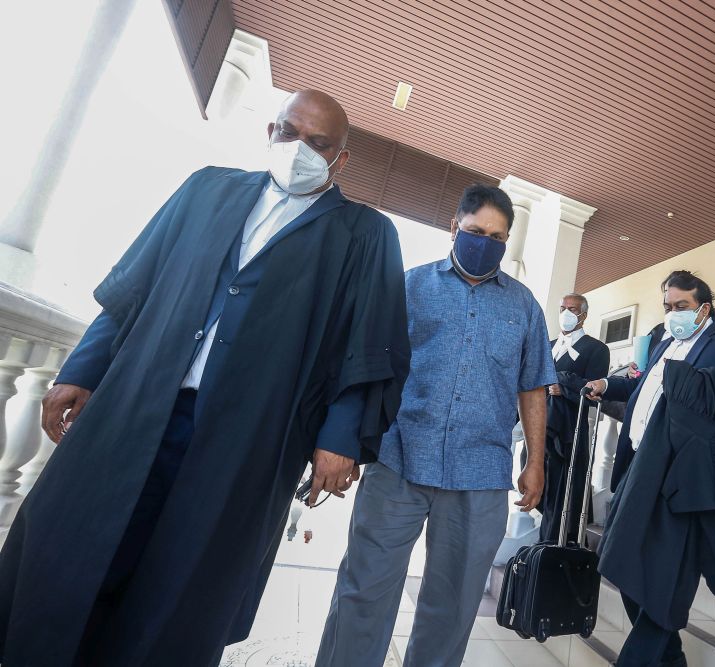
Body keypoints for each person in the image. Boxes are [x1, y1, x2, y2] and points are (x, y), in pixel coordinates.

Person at [0, 90, 410, 666]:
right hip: (137, 406)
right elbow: (133, 288)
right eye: (290, 134)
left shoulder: (365, 236)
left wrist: (340, 439)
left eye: (319, 145)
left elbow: (368, 348)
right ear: (270, 131)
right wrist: (83, 367)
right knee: (76, 544)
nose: (300, 151)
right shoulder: (206, 189)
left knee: (185, 578)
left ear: (340, 159)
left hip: (249, 439)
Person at [316, 184, 556, 667]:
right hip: (399, 459)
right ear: (453, 227)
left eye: (497, 237)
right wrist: (346, 441)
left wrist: (535, 460)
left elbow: (532, 387)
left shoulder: (524, 306)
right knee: (364, 588)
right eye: (475, 232)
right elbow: (369, 366)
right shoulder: (408, 286)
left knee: (454, 607)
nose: (485, 242)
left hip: (480, 472)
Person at [585, 270, 715, 667]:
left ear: (704, 308)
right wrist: (607, 386)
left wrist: (690, 380)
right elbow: (644, 387)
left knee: (667, 582)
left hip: (684, 476)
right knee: (623, 566)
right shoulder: (666, 342)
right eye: (668, 307)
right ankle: (673, 661)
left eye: (681, 306)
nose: (672, 314)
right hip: (639, 469)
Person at [540, 293, 610, 543]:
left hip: (570, 426)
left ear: (584, 314)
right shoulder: (547, 346)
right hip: (541, 423)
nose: (566, 313)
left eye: (572, 309)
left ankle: (556, 540)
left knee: (563, 483)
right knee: (540, 480)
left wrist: (565, 388)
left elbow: (594, 390)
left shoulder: (596, 348)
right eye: (563, 308)